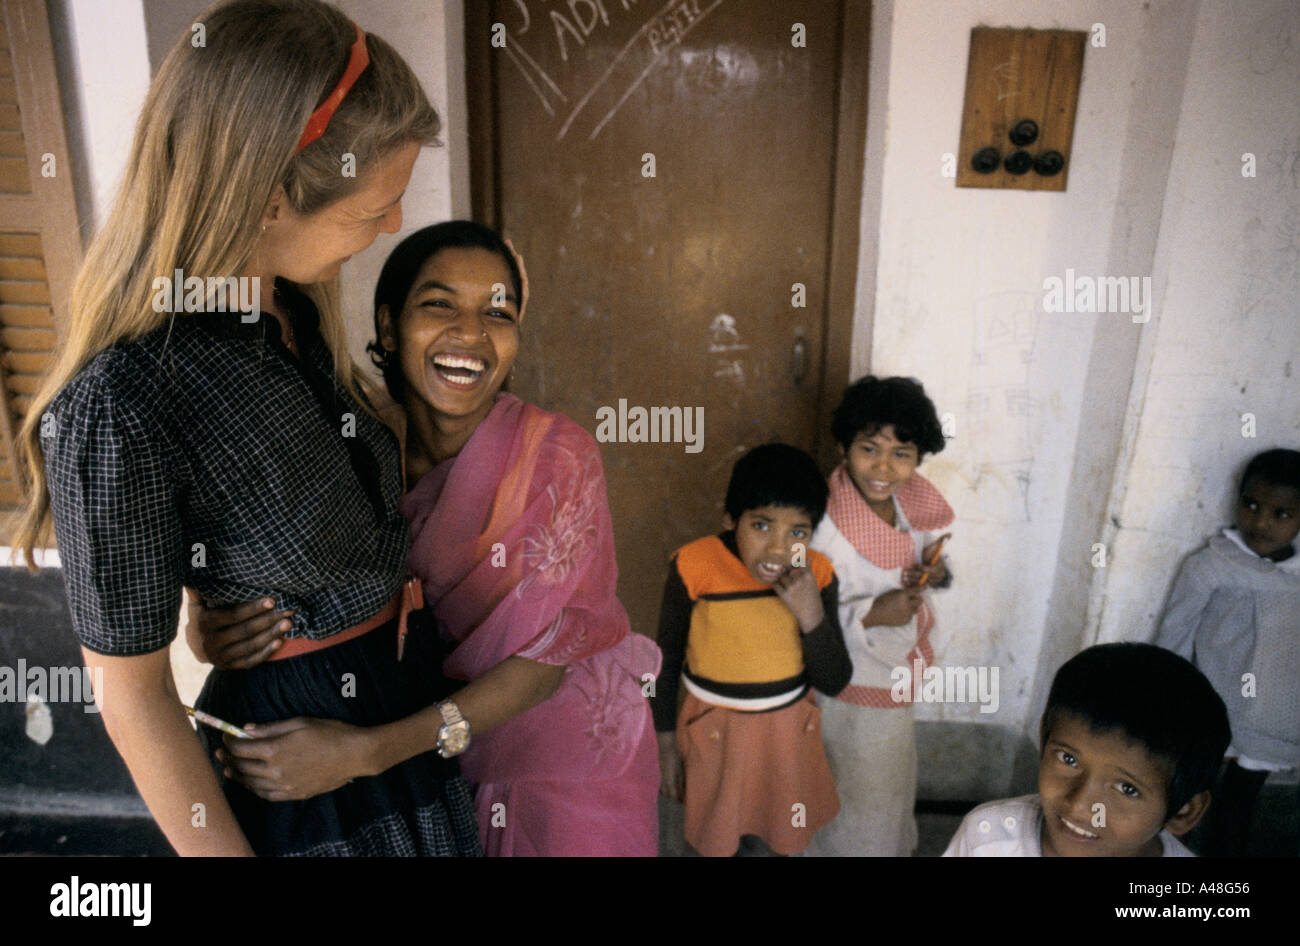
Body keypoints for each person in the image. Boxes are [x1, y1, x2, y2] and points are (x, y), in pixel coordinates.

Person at [14, 0, 480, 855]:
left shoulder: (295, 316)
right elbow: (133, 702)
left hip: (395, 729)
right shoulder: (123, 402)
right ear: (269, 201)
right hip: (305, 786)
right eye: (374, 207)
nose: (391, 227)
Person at [197, 222, 663, 857]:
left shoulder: (557, 457)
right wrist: (207, 624)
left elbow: (543, 666)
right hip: (425, 766)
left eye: (497, 312)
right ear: (389, 329)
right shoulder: (350, 448)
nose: (470, 333)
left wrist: (364, 754)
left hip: (561, 753)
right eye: (439, 304)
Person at [653, 444, 852, 856]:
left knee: (776, 840)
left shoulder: (815, 574)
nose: (778, 549)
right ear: (731, 518)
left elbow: (835, 680)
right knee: (710, 840)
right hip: (713, 736)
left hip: (785, 741)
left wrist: (810, 615)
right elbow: (664, 659)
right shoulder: (694, 566)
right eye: (761, 526)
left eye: (797, 532)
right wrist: (665, 744)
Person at [804, 375, 955, 856]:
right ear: (844, 446)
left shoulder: (908, 505)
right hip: (845, 687)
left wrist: (934, 573)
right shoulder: (824, 525)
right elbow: (803, 613)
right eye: (870, 449)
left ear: (918, 459)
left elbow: (926, 553)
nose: (884, 467)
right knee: (849, 797)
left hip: (894, 678)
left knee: (888, 787)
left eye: (901, 455)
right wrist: (871, 615)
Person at [943, 642, 1229, 856]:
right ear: (1044, 739)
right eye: (1068, 758)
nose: (1080, 805)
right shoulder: (988, 840)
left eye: (1127, 788)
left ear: (1184, 812)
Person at [1154, 448, 1300, 855]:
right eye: (1251, 505)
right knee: (1181, 799)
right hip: (1215, 707)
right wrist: (1167, 699)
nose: (1260, 522)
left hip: (1273, 721)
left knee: (1237, 811)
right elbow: (1176, 632)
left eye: (1281, 513)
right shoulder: (1212, 566)